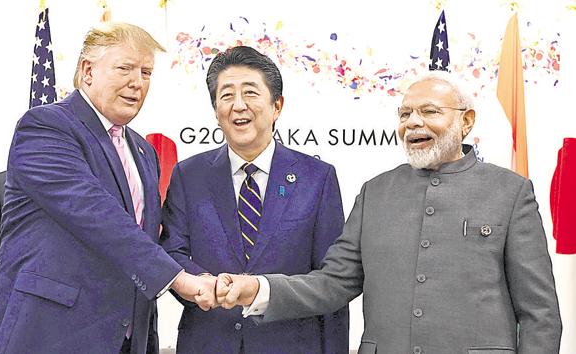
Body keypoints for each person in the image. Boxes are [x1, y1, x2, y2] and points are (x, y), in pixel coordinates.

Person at [216, 71, 562, 354]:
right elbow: (333, 282)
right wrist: (259, 289)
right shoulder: (376, 191)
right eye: (405, 114)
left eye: (429, 112)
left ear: (466, 121)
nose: (413, 123)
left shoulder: (510, 191)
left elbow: (540, 314)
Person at [0, 23, 216, 354]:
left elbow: (149, 239)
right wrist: (178, 278)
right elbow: (94, 213)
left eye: (146, 72)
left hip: (126, 339)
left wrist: (211, 279)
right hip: (46, 334)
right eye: (125, 68)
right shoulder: (46, 127)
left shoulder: (144, 152)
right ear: (87, 71)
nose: (137, 82)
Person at [159, 46, 349, 353]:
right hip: (208, 341)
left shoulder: (317, 178)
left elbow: (331, 282)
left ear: (277, 106)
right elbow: (172, 251)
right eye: (226, 95)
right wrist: (203, 283)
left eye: (250, 93)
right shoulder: (188, 175)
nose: (238, 106)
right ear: (215, 110)